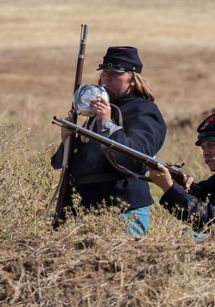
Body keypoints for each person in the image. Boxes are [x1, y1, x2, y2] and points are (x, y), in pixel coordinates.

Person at [51, 46, 167, 235]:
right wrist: (67, 140)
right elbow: (63, 164)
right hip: (84, 210)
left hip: (123, 209)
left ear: (132, 78)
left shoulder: (145, 111)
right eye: (105, 73)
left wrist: (106, 122)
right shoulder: (96, 112)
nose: (107, 78)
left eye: (115, 74)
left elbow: (137, 158)